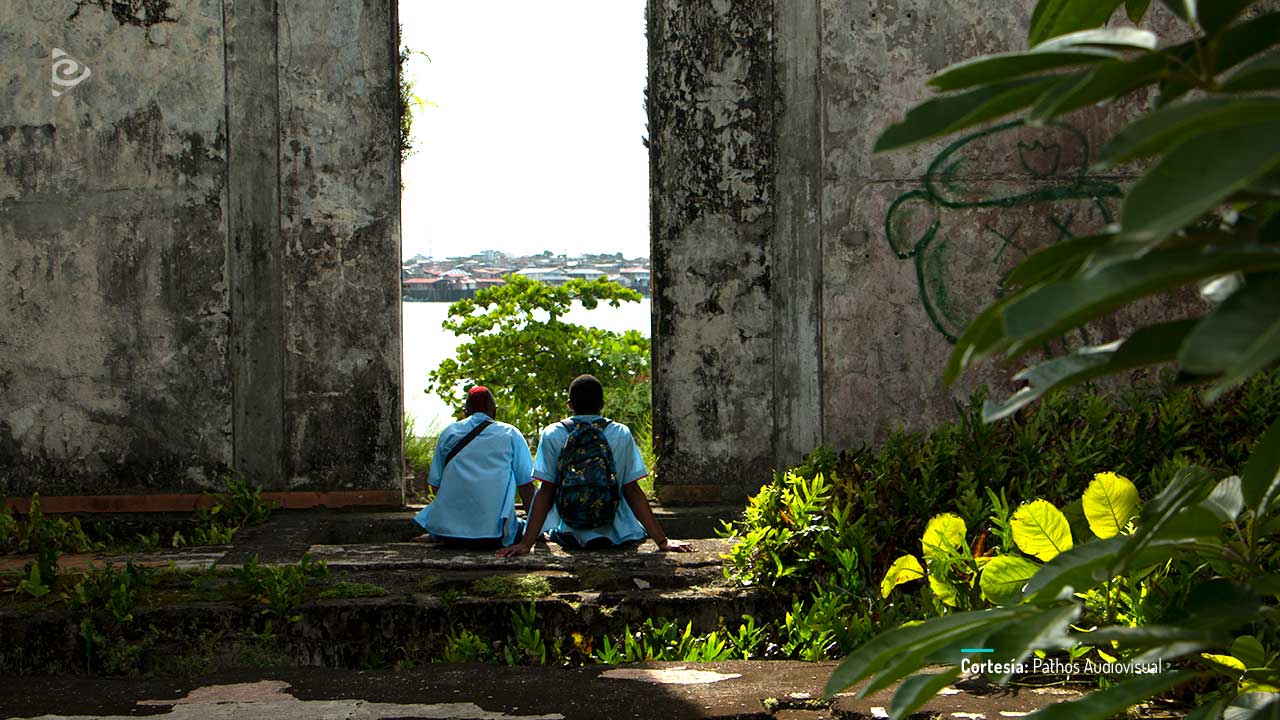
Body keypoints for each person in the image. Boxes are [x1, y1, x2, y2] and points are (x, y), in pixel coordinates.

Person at [496, 374, 693, 557]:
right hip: (618, 535)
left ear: (570, 405)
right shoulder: (620, 433)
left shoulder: (552, 434)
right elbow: (632, 490)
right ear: (602, 404)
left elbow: (546, 491)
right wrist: (662, 541)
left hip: (570, 535)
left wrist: (525, 544)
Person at [409, 386, 535, 548]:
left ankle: (435, 533)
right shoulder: (510, 434)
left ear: (465, 411)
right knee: (520, 524)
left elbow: (435, 486)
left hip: (450, 535)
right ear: (494, 410)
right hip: (494, 536)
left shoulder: (449, 433)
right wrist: (535, 533)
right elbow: (526, 486)